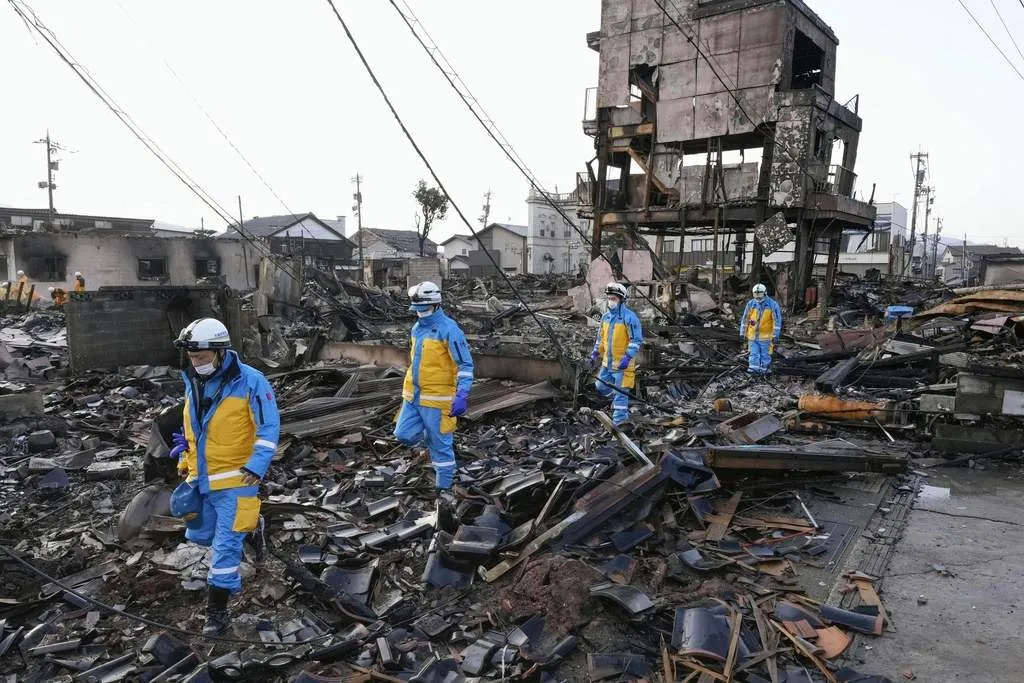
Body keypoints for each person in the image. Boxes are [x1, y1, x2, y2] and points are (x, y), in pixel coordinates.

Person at [168, 317, 279, 636]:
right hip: (202, 479)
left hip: (237, 481)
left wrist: (256, 466)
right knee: (201, 536)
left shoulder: (251, 382)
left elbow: (269, 427)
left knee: (224, 549)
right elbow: (195, 428)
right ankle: (252, 529)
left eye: (200, 356)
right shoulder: (194, 381)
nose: (195, 361)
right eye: (191, 356)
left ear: (218, 352)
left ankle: (216, 613)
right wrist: (187, 457)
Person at [394, 281, 473, 496]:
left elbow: (465, 365)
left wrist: (462, 394)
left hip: (437, 400)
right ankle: (430, 438)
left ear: (436, 305)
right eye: (418, 310)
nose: (421, 313)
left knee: (441, 449)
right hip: (413, 396)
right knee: (402, 434)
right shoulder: (416, 329)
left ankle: (443, 491)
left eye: (425, 309)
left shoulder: (449, 330)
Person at [589, 282, 643, 426]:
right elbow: (601, 339)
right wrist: (595, 354)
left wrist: (627, 357)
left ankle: (619, 423)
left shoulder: (630, 318)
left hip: (623, 366)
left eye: (614, 298)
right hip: (607, 364)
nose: (610, 301)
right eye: (609, 298)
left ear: (622, 300)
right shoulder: (605, 317)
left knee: (621, 396)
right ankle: (617, 400)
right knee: (600, 387)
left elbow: (636, 340)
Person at [740, 283, 782, 374]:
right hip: (752, 336)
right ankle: (753, 371)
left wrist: (775, 335)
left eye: (760, 297)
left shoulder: (772, 305)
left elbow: (777, 321)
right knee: (753, 354)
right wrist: (742, 333)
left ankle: (764, 372)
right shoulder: (751, 304)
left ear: (765, 293)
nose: (758, 300)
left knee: (765, 355)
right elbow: (745, 319)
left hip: (766, 337)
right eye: (757, 297)